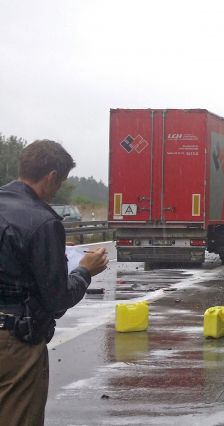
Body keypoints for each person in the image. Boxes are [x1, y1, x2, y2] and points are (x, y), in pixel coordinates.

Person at [0, 140, 108, 426]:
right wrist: (84, 271)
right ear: (52, 177)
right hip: (14, 342)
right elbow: (57, 300)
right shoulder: (43, 222)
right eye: (60, 182)